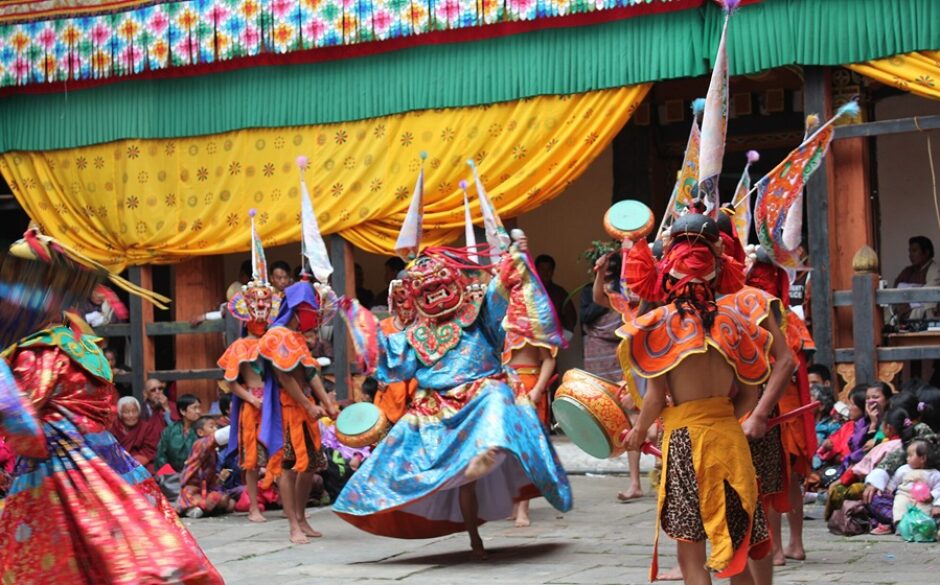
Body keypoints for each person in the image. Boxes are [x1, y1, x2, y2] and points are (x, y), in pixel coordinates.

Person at [0, 228, 222, 583]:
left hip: (61, 470)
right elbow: (103, 405)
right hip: (104, 455)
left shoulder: (36, 354)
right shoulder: (80, 344)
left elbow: (25, 429)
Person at [333, 232, 572, 559]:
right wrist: (354, 314)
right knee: (454, 481)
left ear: (456, 283)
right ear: (415, 297)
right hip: (435, 411)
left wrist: (516, 257)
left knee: (497, 392)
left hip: (478, 396)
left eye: (440, 285)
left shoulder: (477, 316)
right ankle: (474, 538)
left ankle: (489, 448)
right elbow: (387, 357)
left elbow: (501, 291)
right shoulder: (415, 335)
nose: (435, 293)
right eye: (426, 290)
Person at [621, 214, 771, 583]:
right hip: (729, 438)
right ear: (715, 268)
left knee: (692, 550)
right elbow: (750, 391)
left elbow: (655, 398)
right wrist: (721, 417)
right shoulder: (734, 322)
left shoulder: (660, 324)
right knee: (736, 547)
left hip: (686, 441)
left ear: (668, 271)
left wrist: (639, 432)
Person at [259, 280, 338, 544]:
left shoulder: (296, 337)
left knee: (311, 466)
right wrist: (307, 404)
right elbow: (284, 377)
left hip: (305, 407)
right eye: (310, 310)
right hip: (286, 408)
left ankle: (302, 518)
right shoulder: (275, 335)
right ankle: (292, 524)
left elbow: (310, 372)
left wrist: (327, 403)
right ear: (297, 308)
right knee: (287, 466)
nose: (313, 316)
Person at [218, 228, 282, 523]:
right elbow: (231, 382)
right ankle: (254, 506)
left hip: (273, 400)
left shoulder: (275, 341)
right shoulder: (240, 346)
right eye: (255, 305)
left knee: (279, 452)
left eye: (265, 306)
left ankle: (284, 502)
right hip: (250, 403)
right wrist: (251, 400)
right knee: (250, 459)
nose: (260, 311)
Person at [372, 276, 418, 424]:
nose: (407, 306)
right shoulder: (383, 328)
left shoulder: (425, 328)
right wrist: (377, 377)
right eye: (401, 301)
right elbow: (374, 360)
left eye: (412, 300)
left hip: (418, 396)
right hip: (390, 396)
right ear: (392, 302)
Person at [178, 416, 236, 518]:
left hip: (207, 489)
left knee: (229, 503)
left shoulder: (214, 452)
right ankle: (194, 508)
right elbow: (216, 438)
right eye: (211, 427)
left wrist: (220, 479)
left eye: (216, 427)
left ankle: (204, 508)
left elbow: (213, 480)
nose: (215, 429)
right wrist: (238, 426)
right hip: (193, 490)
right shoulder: (199, 444)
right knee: (214, 498)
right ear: (200, 432)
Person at [893, 236, 940, 321]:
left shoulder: (935, 270)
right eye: (910, 251)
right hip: (904, 315)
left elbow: (926, 295)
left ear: (926, 252)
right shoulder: (907, 271)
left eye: (914, 251)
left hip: (923, 317)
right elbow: (896, 290)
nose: (910, 255)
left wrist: (909, 298)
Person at [110, 396, 162, 473]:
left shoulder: (146, 428)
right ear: (120, 414)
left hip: (140, 464)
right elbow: (109, 450)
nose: (131, 415)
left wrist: (132, 463)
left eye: (134, 411)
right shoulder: (113, 428)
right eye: (126, 412)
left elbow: (149, 450)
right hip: (118, 464)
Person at [154, 394, 203, 473]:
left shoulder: (203, 430)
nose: (198, 411)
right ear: (183, 411)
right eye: (194, 408)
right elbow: (161, 456)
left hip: (195, 475)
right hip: (171, 478)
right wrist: (171, 475)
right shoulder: (170, 430)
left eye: (199, 407)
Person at [534, 254, 577, 334]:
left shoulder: (560, 293)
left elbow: (571, 317)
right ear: (536, 270)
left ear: (553, 271)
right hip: (532, 337)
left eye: (549, 269)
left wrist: (565, 334)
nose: (545, 273)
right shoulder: (528, 291)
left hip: (554, 337)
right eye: (542, 269)